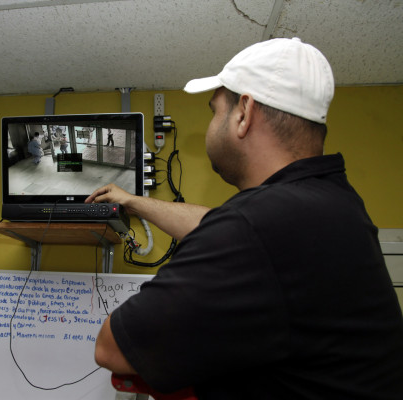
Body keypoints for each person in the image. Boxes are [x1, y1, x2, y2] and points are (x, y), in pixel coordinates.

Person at [87, 37, 403, 398]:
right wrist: (136, 202)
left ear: (244, 113)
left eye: (214, 110)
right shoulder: (330, 204)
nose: (211, 124)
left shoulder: (259, 225)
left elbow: (111, 348)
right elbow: (220, 225)